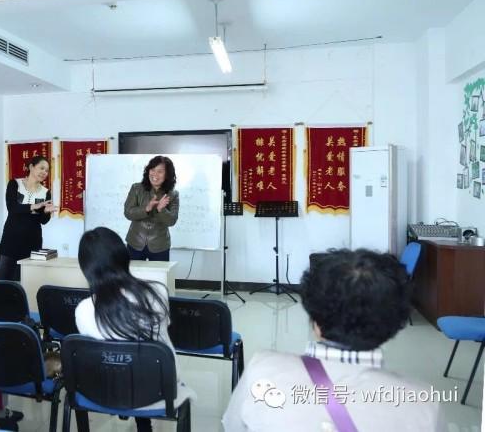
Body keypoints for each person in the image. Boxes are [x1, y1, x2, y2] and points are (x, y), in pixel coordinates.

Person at [222, 249, 443, 432]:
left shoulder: (263, 371)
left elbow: (232, 427)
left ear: (315, 320)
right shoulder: (422, 403)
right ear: (393, 326)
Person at [74, 227, 194, 432]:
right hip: (159, 391)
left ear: (86, 267)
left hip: (105, 392)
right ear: (123, 256)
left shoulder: (83, 310)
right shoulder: (156, 292)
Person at [0, 155, 58, 281]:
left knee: (28, 281)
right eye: (41, 168)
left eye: (47, 170)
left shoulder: (45, 192)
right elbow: (12, 208)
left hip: (32, 242)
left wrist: (46, 212)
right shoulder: (15, 184)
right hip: (11, 240)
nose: (44, 172)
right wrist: (34, 206)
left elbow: (43, 221)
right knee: (5, 281)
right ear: (31, 167)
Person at [123, 155, 179, 261]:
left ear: (167, 175)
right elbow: (128, 212)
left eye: (160, 171)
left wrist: (161, 209)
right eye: (152, 170)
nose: (155, 174)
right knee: (133, 276)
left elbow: (172, 221)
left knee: (160, 277)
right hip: (135, 243)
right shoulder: (136, 188)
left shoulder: (173, 194)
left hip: (160, 245)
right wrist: (146, 209)